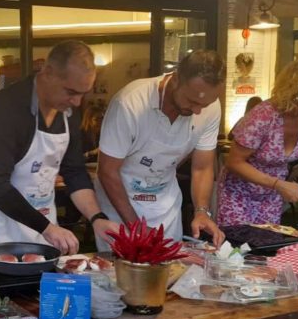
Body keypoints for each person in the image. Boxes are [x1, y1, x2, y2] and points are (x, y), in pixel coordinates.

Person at [0, 40, 119, 255]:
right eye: (71, 91)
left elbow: (74, 171)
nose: (77, 102)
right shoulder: (3, 110)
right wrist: (48, 228)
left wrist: (97, 219)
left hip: (41, 221)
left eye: (84, 93)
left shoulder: (67, 111)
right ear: (48, 72)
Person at [95, 50, 226, 251]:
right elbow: (107, 171)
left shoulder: (210, 108)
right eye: (191, 101)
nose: (198, 110)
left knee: (170, 274)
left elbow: (202, 167)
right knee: (123, 275)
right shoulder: (131, 103)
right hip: (120, 202)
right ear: (175, 79)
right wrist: (136, 227)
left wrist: (201, 211)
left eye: (204, 104)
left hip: (165, 204)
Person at [217, 55, 298, 226]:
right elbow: (234, 162)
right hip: (239, 195)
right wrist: (278, 184)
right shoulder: (265, 115)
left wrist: (278, 186)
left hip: (272, 196)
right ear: (297, 91)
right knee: (238, 249)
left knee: (267, 247)